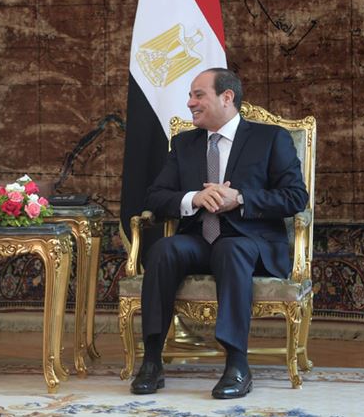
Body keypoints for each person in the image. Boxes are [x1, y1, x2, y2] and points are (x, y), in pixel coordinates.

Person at [130, 68, 308, 399]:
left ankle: (237, 364)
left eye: (198, 95)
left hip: (250, 244)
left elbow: (296, 197)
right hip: (199, 241)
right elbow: (154, 197)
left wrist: (239, 198)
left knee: (231, 249)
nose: (190, 102)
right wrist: (193, 198)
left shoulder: (270, 139)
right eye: (190, 96)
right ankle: (152, 360)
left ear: (227, 97)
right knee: (164, 250)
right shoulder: (184, 144)